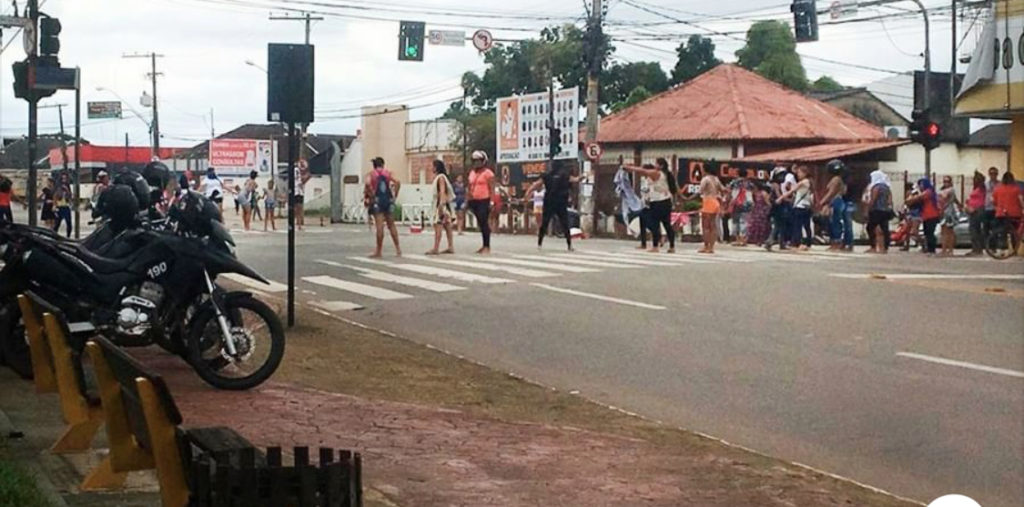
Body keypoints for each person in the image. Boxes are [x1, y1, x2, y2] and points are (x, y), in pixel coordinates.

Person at [624, 158, 679, 253]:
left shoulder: (657, 173)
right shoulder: (665, 174)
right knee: (666, 224)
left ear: (661, 166)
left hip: (658, 202)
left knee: (655, 224)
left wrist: (630, 168)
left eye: (656, 164)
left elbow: (643, 170)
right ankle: (672, 246)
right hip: (665, 201)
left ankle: (655, 246)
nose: (655, 166)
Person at [527, 160, 579, 251]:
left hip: (549, 202)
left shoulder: (547, 175)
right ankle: (569, 245)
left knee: (544, 223)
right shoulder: (564, 175)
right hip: (561, 202)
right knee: (565, 224)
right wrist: (584, 176)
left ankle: (540, 243)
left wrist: (528, 193)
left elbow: (536, 184)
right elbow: (576, 179)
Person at [365, 157, 402, 257]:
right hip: (388, 200)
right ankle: (398, 249)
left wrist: (371, 194)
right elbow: (397, 182)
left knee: (379, 226)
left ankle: (379, 250)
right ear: (383, 164)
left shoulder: (371, 174)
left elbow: (368, 183)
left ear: (374, 165)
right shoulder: (388, 173)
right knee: (391, 225)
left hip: (378, 201)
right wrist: (395, 196)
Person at [778, 166, 814, 251]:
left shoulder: (803, 182)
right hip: (807, 206)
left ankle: (796, 243)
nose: (798, 175)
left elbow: (792, 190)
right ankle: (808, 242)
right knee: (807, 226)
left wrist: (781, 198)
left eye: (799, 173)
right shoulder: (809, 182)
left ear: (804, 173)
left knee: (797, 226)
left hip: (800, 206)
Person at [466, 151, 496, 254]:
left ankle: (487, 246)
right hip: (474, 200)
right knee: (480, 222)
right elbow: (469, 187)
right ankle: (484, 245)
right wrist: (468, 199)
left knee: (484, 222)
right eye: (474, 161)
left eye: (478, 161)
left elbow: (492, 188)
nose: (476, 163)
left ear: (483, 161)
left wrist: (492, 202)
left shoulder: (488, 173)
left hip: (484, 200)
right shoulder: (472, 173)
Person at [817, 159, 848, 250]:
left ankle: (836, 243)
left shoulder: (836, 179)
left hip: (835, 201)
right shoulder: (840, 179)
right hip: (838, 201)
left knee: (834, 222)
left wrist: (823, 201)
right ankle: (836, 242)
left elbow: (831, 192)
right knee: (835, 222)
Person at [426, 160, 455, 255]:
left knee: (438, 225)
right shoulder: (442, 177)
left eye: (432, 166)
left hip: (441, 205)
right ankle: (450, 246)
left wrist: (441, 206)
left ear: (436, 167)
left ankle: (436, 248)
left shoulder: (440, 178)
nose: (431, 168)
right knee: (447, 226)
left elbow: (442, 191)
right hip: (445, 205)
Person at [991, 171, 1024, 253]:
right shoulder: (1016, 189)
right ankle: (1014, 250)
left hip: (1001, 214)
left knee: (1002, 232)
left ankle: (1002, 250)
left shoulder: (998, 189)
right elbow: (1021, 201)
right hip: (1015, 213)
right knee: (1015, 233)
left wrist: (998, 207)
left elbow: (993, 201)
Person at [906, 178, 940, 254]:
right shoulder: (924, 192)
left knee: (930, 233)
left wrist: (913, 195)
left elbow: (915, 199)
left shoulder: (928, 192)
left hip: (931, 215)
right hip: (926, 216)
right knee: (927, 233)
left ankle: (932, 249)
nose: (920, 186)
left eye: (921, 184)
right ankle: (928, 248)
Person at [864, 169, 893, 254]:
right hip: (885, 211)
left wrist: (868, 209)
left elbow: (873, 199)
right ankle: (884, 248)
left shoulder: (876, 187)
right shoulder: (887, 188)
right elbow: (889, 201)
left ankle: (873, 247)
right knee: (884, 229)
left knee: (870, 227)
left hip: (876, 210)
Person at [727, 168, 755, 246]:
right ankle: (743, 239)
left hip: (735, 203)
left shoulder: (733, 182)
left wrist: (728, 202)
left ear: (738, 174)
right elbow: (753, 193)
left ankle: (737, 239)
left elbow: (729, 192)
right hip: (747, 203)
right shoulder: (749, 183)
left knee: (735, 221)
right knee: (744, 221)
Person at [938, 175, 961, 256]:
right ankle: (944, 249)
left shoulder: (951, 190)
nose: (946, 183)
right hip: (943, 212)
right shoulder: (942, 190)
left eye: (947, 181)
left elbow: (947, 198)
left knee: (949, 232)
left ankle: (950, 250)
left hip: (949, 212)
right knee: (943, 231)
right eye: (944, 181)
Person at [965, 171, 986, 256]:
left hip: (976, 210)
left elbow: (982, 200)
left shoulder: (981, 189)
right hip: (973, 209)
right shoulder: (977, 188)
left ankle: (976, 249)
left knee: (974, 230)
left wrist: (974, 208)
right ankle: (977, 248)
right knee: (975, 230)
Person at [746, 181, 771, 246]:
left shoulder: (763, 193)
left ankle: (761, 240)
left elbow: (768, 203)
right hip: (756, 210)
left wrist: (768, 210)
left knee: (763, 226)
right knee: (754, 225)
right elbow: (754, 202)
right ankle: (754, 239)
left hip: (763, 211)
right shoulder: (754, 193)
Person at [52, 172, 73, 237]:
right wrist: (54, 206)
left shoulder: (67, 186)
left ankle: (68, 236)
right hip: (59, 206)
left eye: (65, 178)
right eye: (63, 178)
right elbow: (55, 196)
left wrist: (67, 190)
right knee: (57, 223)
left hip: (66, 206)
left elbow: (70, 196)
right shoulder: (58, 187)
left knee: (69, 223)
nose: (64, 180)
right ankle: (54, 235)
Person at [294, 159, 312, 231]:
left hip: (300, 191)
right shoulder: (296, 171)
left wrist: (306, 177)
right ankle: (298, 224)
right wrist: (306, 177)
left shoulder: (300, 172)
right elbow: (300, 181)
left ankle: (299, 224)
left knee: (299, 208)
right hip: (296, 191)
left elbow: (302, 182)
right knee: (297, 208)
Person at [983, 166, 1000, 239]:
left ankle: (993, 246)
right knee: (986, 227)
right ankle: (987, 246)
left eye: (994, 173)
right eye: (991, 173)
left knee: (995, 227)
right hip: (987, 208)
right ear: (989, 174)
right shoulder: (985, 184)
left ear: (997, 174)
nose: (993, 175)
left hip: (996, 208)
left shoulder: (1000, 184)